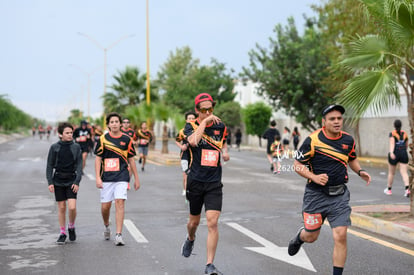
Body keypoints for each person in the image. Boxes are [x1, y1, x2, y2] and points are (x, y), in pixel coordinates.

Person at [287, 104, 371, 275]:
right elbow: (297, 165)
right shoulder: (313, 140)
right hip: (316, 195)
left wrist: (360, 171)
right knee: (311, 236)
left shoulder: (348, 140)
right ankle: (299, 237)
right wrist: (314, 177)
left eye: (339, 118)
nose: (337, 121)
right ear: (324, 122)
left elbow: (352, 159)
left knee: (340, 235)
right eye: (332, 119)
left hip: (339, 196)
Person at [181, 93, 229, 275]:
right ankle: (190, 238)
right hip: (196, 181)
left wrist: (225, 152)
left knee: (212, 222)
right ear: (197, 110)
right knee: (193, 222)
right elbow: (193, 141)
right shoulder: (189, 126)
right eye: (204, 110)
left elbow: (222, 143)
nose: (208, 112)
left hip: (214, 182)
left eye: (211, 109)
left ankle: (209, 264)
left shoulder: (221, 126)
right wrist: (203, 122)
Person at [94, 112, 140, 246]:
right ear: (108, 124)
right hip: (107, 177)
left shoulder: (127, 139)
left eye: (116, 121)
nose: (114, 124)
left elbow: (131, 160)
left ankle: (119, 234)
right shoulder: (103, 139)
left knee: (120, 202)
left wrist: (136, 178)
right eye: (112, 122)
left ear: (120, 124)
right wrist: (97, 177)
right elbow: (98, 159)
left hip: (122, 176)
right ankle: (107, 225)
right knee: (105, 207)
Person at [46, 122, 82, 244]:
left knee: (72, 207)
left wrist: (77, 181)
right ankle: (62, 232)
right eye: (67, 133)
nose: (70, 135)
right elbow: (50, 165)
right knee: (61, 207)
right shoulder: (54, 147)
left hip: (71, 179)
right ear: (60, 134)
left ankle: (71, 226)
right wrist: (50, 181)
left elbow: (79, 165)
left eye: (71, 132)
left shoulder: (76, 147)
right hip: (58, 180)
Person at [385, 119, 410, 197]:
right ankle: (407, 189)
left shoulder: (392, 134)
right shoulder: (405, 134)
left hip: (395, 154)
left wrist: (392, 152)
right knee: (404, 172)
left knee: (391, 173)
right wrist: (403, 151)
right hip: (403, 153)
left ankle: (389, 189)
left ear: (394, 126)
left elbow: (392, 143)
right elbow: (406, 145)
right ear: (401, 125)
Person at [175, 111, 197, 197]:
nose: (191, 120)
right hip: (185, 155)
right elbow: (177, 140)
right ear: (186, 120)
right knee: (185, 174)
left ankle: (192, 190)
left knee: (193, 174)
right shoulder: (182, 131)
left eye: (193, 118)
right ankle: (185, 190)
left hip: (195, 154)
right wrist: (181, 147)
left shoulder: (198, 130)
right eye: (189, 118)